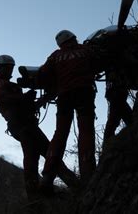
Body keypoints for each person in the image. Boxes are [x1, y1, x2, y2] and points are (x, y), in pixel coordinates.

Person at [0, 54, 78, 199]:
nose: (11, 71)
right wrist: (25, 98)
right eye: (8, 68)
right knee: (48, 153)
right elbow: (4, 99)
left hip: (25, 124)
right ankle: (71, 184)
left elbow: (22, 104)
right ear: (1, 68)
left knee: (34, 157)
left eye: (11, 68)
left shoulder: (9, 85)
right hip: (22, 125)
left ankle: (36, 197)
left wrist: (43, 99)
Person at [37, 30, 98, 194]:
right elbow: (98, 63)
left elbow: (43, 74)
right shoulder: (86, 50)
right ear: (73, 38)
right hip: (84, 93)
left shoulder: (55, 56)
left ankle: (47, 176)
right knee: (86, 131)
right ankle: (88, 174)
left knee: (60, 134)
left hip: (64, 96)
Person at [103, 70, 133, 146]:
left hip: (116, 90)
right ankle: (107, 145)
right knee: (117, 118)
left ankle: (107, 145)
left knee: (117, 117)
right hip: (116, 90)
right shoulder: (112, 63)